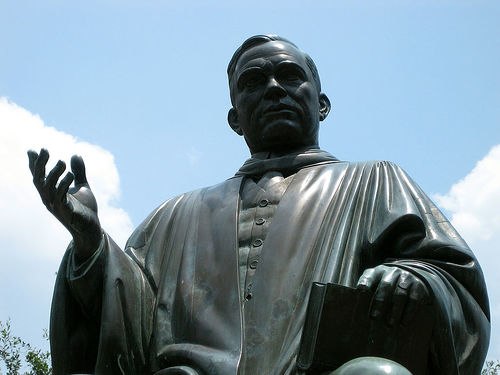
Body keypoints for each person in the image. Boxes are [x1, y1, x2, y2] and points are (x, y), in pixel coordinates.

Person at [28, 35, 490, 374]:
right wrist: (89, 244)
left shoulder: (375, 182)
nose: (273, 87)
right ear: (234, 118)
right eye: (253, 82)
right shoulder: (172, 218)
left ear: (322, 104)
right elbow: (132, 322)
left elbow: (456, 279)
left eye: (290, 76)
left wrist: (415, 278)